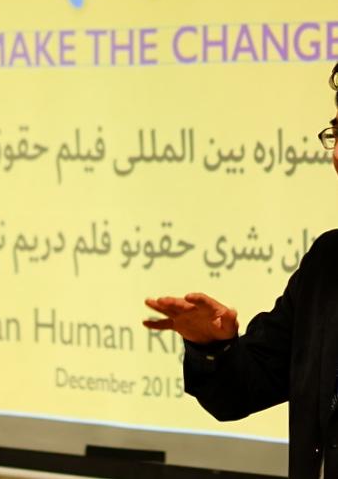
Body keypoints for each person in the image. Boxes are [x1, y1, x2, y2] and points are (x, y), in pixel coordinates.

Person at [143, 62, 338, 479]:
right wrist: (213, 348)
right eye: (337, 134)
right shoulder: (327, 262)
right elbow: (242, 390)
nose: (337, 155)